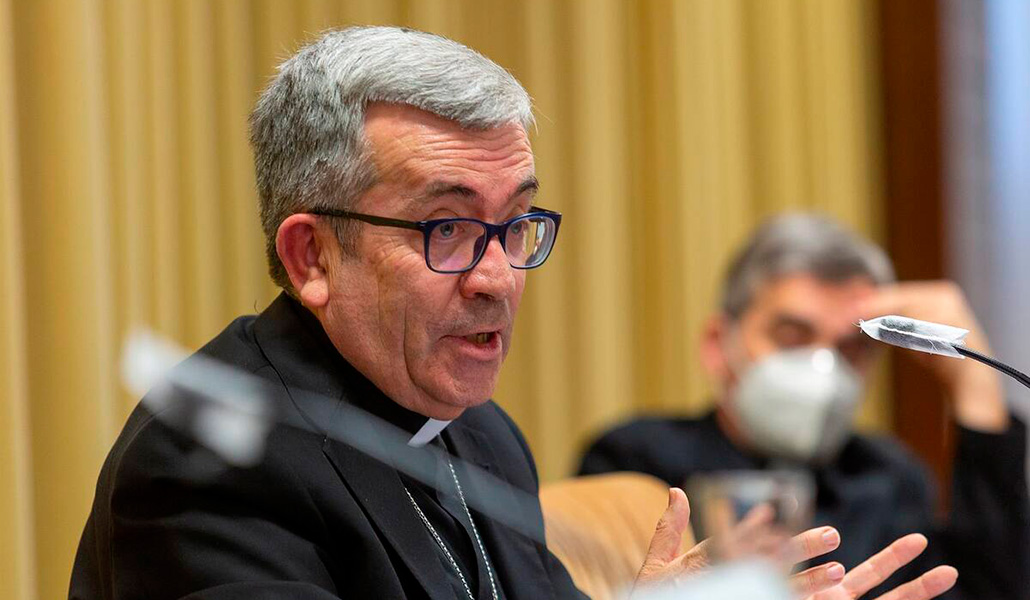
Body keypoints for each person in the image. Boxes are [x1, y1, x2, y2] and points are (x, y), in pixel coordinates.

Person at [71, 28, 958, 600]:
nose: (498, 278)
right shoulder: (208, 460)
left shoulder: (481, 434)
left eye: (516, 223)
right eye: (449, 228)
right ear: (312, 256)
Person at [579, 213, 1030, 599]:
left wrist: (975, 384)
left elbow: (991, 590)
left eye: (851, 347)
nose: (823, 364)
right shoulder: (637, 461)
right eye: (792, 337)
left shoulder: (890, 478)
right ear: (719, 345)